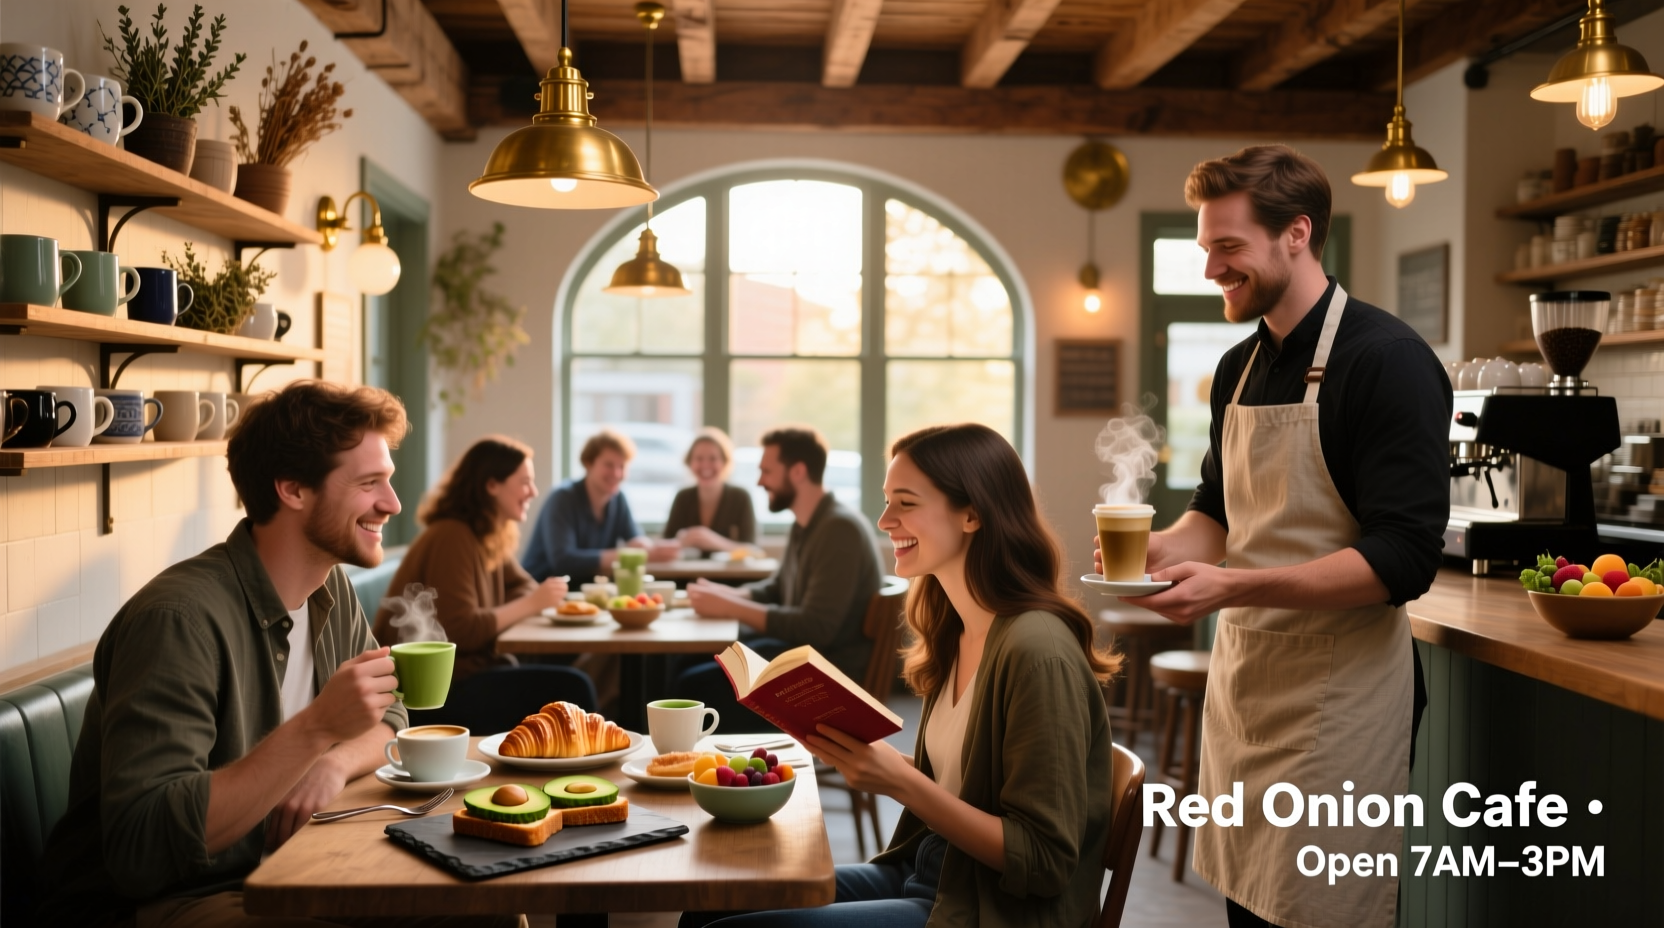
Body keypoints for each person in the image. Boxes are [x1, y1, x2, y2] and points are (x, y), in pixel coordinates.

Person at [1101, 145, 1449, 928]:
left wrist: (1235, 585)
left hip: (1341, 703)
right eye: (1206, 249)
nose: (1211, 269)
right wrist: (1160, 551)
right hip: (1250, 690)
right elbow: (1216, 518)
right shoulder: (1239, 368)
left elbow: (1404, 558)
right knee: (1248, 911)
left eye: (1228, 248)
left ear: (1297, 234)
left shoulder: (1386, 361)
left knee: (1321, 914)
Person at [36, 381, 519, 928]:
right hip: (175, 900)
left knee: (488, 911)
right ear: (293, 489)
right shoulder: (177, 620)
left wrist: (332, 763)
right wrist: (314, 731)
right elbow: (143, 848)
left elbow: (390, 716)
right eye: (369, 483)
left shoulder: (329, 594)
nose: (393, 503)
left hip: (293, 867)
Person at [684, 423, 1116, 928]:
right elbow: (971, 779)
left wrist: (903, 782)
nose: (885, 519)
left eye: (905, 502)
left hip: (985, 908)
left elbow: (1043, 860)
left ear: (972, 513)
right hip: (933, 871)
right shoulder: (958, 629)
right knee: (711, 898)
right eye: (889, 501)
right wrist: (878, 761)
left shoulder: (1037, 652)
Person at [677, 427, 882, 726]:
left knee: (690, 684)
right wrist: (725, 595)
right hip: (804, 657)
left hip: (825, 677)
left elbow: (816, 626)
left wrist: (731, 607)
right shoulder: (808, 523)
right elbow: (777, 588)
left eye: (767, 471)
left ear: (798, 471)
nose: (760, 481)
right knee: (688, 660)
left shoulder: (840, 529)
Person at [372, 436, 568, 684]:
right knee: (572, 685)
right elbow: (461, 630)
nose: (534, 491)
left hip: (469, 671)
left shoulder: (487, 535)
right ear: (492, 485)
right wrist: (530, 604)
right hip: (434, 685)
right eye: (525, 482)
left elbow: (523, 585)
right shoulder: (452, 536)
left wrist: (517, 605)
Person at [521, 428, 679, 582]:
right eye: (609, 465)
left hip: (584, 590)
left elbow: (636, 539)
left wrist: (652, 549)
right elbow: (563, 561)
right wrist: (628, 554)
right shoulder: (562, 498)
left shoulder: (618, 499)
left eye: (622, 467)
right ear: (589, 463)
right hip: (540, 591)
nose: (616, 474)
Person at [662, 426, 757, 551]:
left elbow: (753, 550)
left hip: (730, 571)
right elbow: (665, 543)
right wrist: (682, 541)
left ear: (724, 462)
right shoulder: (683, 497)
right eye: (699, 459)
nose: (705, 465)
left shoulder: (740, 497)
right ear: (690, 463)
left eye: (713, 459)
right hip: (688, 571)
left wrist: (714, 541)